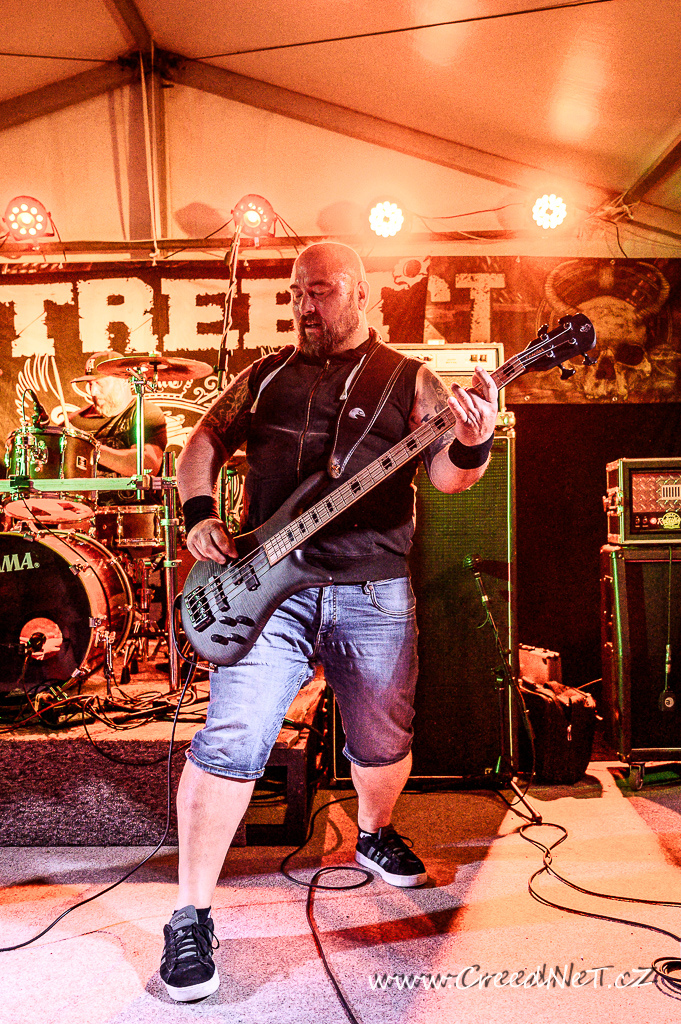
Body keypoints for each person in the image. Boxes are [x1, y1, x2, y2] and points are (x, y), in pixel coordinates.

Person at [161, 242, 498, 1002]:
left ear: (361, 293)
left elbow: (448, 477)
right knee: (232, 737)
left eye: (320, 291)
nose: (304, 306)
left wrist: (473, 438)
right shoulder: (265, 375)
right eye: (295, 293)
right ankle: (189, 914)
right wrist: (199, 512)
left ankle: (373, 833)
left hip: (372, 588)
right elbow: (203, 441)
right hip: (265, 587)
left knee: (381, 736)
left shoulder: (410, 380)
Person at [70, 350, 167, 501]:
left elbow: (148, 466)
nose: (93, 392)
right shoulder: (74, 422)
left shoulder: (145, 413)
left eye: (99, 383)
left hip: (136, 511)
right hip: (85, 511)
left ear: (123, 381)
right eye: (89, 384)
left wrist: (90, 449)